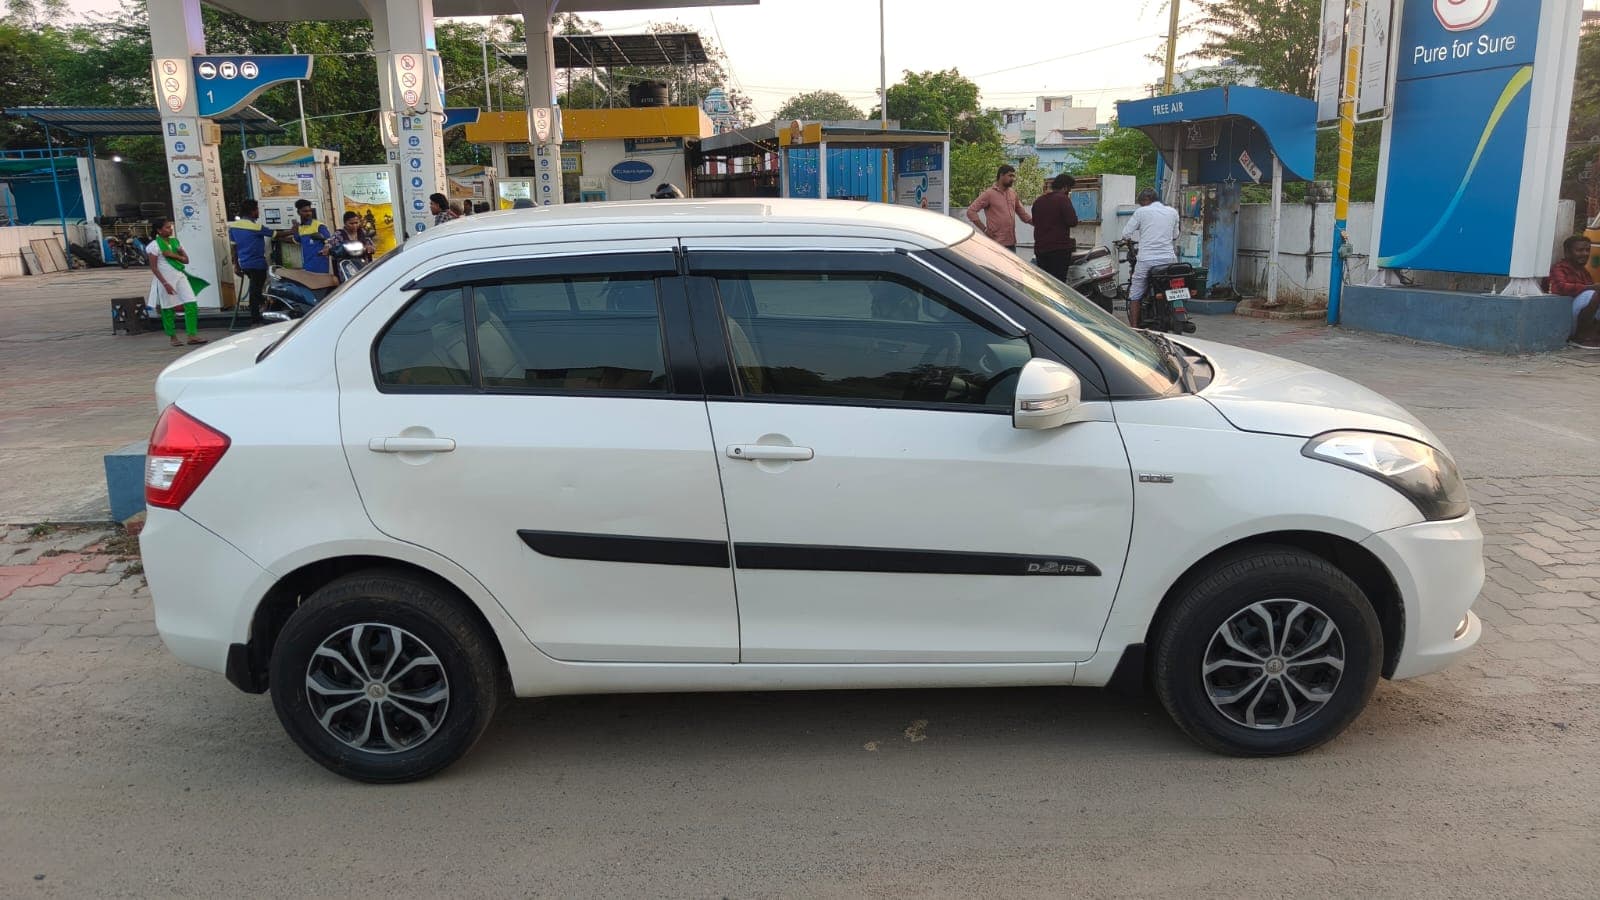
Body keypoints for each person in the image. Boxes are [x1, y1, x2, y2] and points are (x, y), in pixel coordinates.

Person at [1122, 187, 1181, 327]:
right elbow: (1175, 235)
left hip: (1147, 259)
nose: (1141, 205)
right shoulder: (1173, 212)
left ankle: (1134, 328)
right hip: (1169, 260)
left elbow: (1126, 234)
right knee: (1171, 286)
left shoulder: (1141, 212)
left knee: (1135, 293)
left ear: (1146, 200)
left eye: (1141, 202)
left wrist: (1127, 240)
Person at [146, 217, 209, 348]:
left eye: (170, 226)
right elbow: (154, 268)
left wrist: (172, 255)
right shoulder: (154, 246)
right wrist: (165, 284)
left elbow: (186, 260)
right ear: (159, 230)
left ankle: (192, 335)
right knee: (167, 308)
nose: (170, 229)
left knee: (191, 303)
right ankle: (172, 337)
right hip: (165, 280)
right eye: (167, 227)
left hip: (179, 276)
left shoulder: (175, 242)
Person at [966, 164, 1032, 252]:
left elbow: (1023, 215)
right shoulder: (989, 194)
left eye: (1013, 176)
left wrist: (1041, 224)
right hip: (996, 244)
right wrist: (984, 229)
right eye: (1010, 176)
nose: (1013, 179)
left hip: (1011, 243)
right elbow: (971, 211)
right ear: (1001, 175)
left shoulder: (1012, 193)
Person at [1549, 235, 1600, 349]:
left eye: (1587, 250)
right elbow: (1560, 287)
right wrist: (1590, 287)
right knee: (1592, 294)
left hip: (1582, 317)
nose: (1585, 254)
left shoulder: (1584, 272)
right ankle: (1580, 337)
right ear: (1567, 253)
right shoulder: (1559, 268)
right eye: (1580, 250)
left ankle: (1594, 334)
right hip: (1565, 320)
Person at [1030, 173, 1080, 282]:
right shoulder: (1063, 199)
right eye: (1069, 189)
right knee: (1058, 284)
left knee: (1046, 283)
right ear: (1065, 187)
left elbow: (1034, 221)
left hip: (1041, 249)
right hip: (1059, 250)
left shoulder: (1038, 201)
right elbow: (1072, 221)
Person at [228, 199, 270, 326]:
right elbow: (276, 234)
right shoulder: (256, 227)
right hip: (258, 265)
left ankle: (263, 306)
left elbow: (234, 248)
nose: (258, 212)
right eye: (257, 209)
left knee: (255, 289)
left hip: (244, 265)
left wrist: (236, 265)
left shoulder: (233, 227)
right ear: (252, 211)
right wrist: (295, 230)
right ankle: (256, 318)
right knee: (255, 291)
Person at [277, 199, 332, 276]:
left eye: (310, 211)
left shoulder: (319, 226)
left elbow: (330, 241)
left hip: (321, 267)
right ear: (298, 212)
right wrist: (279, 238)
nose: (308, 213)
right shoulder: (300, 228)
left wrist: (326, 247)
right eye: (305, 211)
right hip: (307, 266)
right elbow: (295, 240)